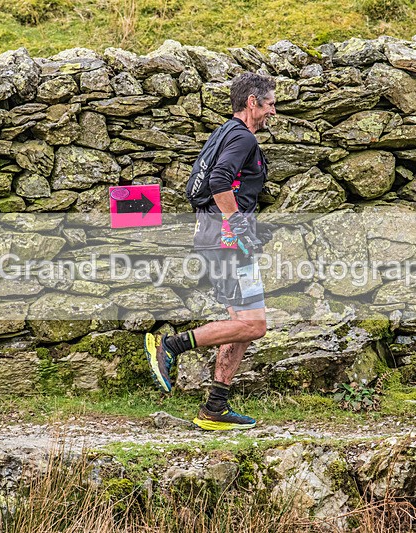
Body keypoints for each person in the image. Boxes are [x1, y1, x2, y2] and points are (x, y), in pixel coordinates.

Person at [145, 72, 277, 430]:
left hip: (221, 240)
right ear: (252, 103)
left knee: (243, 326)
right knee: (254, 325)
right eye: (270, 105)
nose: (273, 113)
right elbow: (219, 180)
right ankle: (171, 345)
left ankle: (215, 406)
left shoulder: (223, 133)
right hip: (228, 243)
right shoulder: (243, 138)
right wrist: (237, 225)